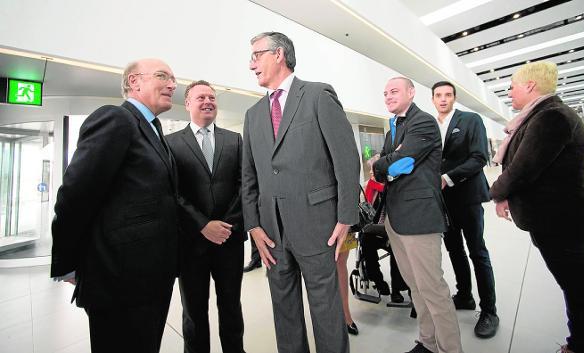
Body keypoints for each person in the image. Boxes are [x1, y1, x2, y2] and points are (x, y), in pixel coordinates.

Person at [490, 61, 584, 353]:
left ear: (530, 86)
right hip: (555, 220)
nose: (509, 91)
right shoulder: (541, 116)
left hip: (563, 220)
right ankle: (580, 342)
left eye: (512, 85)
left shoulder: (551, 117)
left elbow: (523, 169)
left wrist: (495, 192)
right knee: (576, 290)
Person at [50, 58, 179, 353]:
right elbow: (75, 195)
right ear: (134, 81)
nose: (172, 84)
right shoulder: (116, 119)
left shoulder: (154, 129)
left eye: (174, 79)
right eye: (163, 76)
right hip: (121, 282)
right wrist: (67, 263)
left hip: (151, 278)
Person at [242, 31, 360, 353]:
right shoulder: (253, 115)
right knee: (285, 313)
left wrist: (346, 216)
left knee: (326, 310)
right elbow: (249, 177)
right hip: (271, 234)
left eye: (256, 55)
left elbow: (347, 160)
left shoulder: (318, 95)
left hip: (319, 226)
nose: (251, 64)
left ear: (278, 54)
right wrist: (253, 226)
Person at [373, 77, 462, 353]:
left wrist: (385, 163)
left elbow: (401, 162)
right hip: (396, 219)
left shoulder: (422, 122)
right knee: (416, 288)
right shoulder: (393, 130)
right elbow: (388, 165)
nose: (388, 96)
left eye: (394, 91)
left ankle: (450, 349)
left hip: (419, 218)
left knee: (432, 290)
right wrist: (387, 162)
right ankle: (428, 341)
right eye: (385, 92)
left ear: (411, 93)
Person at [166, 80, 246, 353]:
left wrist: (226, 226)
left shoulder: (234, 139)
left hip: (230, 241)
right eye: (200, 97)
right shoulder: (171, 143)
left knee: (231, 306)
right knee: (194, 311)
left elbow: (244, 185)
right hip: (191, 243)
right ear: (187, 103)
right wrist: (202, 225)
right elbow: (172, 192)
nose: (207, 101)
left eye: (212, 97)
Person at [431, 81, 499, 338]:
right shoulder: (430, 125)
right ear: (433, 99)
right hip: (442, 201)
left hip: (468, 197)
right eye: (438, 95)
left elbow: (479, 157)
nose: (443, 99)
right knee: (454, 249)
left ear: (454, 98)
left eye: (448, 95)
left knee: (477, 252)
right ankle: (465, 295)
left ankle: (489, 311)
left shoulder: (471, 120)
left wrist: (446, 178)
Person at [361, 156, 408, 304]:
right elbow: (365, 208)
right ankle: (377, 280)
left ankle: (397, 289)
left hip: (395, 230)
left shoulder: (397, 187)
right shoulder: (369, 186)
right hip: (376, 229)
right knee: (365, 238)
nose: (372, 174)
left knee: (396, 243)